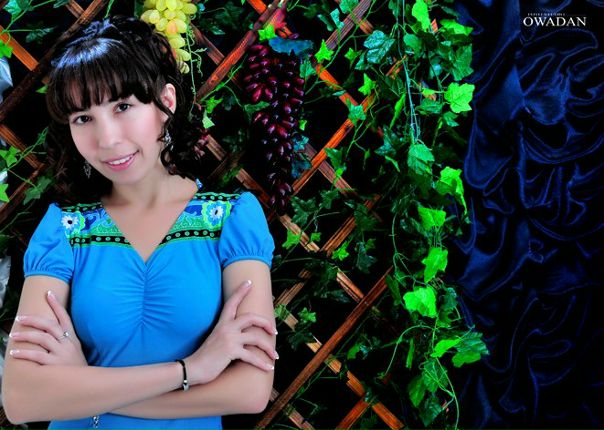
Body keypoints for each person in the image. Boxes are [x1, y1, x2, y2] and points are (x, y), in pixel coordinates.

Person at [1, 15, 278, 429]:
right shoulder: (64, 230)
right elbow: (23, 400)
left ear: (166, 103)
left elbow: (249, 391)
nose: (107, 139)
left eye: (123, 107)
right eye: (83, 118)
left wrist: (83, 388)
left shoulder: (233, 220)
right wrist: (190, 370)